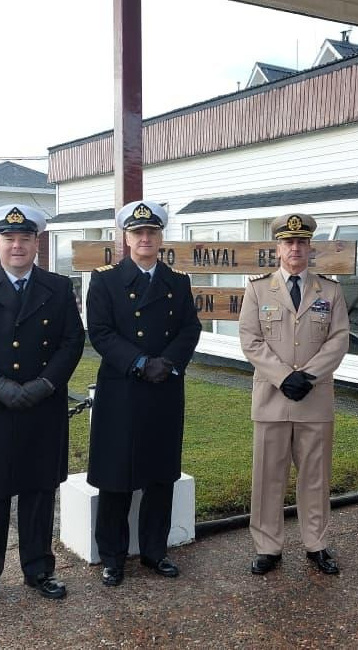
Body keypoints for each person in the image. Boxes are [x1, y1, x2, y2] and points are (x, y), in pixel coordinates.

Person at [0, 204, 85, 611]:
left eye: (25, 238)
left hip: (42, 406)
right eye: (9, 239)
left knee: (39, 492)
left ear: (36, 244)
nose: (17, 245)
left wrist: (44, 384)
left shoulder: (58, 288)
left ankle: (40, 569)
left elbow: (71, 342)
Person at [86, 200, 202, 587]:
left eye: (152, 232)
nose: (145, 238)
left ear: (160, 236)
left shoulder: (177, 281)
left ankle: (155, 551)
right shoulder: (104, 280)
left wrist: (165, 363)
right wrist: (139, 362)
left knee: (159, 474)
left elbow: (190, 329)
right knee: (116, 475)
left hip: (164, 388)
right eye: (138, 233)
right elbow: (100, 331)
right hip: (122, 387)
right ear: (126, 238)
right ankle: (112, 557)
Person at [239, 214, 350, 576]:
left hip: (314, 400)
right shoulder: (258, 289)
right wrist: (284, 376)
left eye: (301, 242)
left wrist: (310, 376)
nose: (295, 248)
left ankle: (316, 543)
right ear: (278, 248)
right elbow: (251, 340)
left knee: (315, 479)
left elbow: (339, 339)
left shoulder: (329, 291)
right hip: (272, 399)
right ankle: (268, 546)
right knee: (268, 478)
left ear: (309, 247)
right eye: (288, 242)